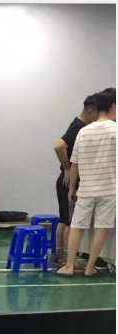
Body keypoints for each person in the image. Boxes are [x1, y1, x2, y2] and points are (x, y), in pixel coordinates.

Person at [57, 88, 116, 277]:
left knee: (77, 226)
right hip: (109, 190)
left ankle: (69, 266)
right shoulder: (115, 130)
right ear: (113, 106)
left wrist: (72, 188)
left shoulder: (84, 132)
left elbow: (74, 164)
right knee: (101, 228)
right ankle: (90, 268)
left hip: (86, 189)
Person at [53, 95, 98, 265]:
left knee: (64, 220)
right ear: (90, 111)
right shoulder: (79, 127)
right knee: (70, 222)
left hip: (63, 182)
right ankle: (67, 260)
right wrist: (67, 167)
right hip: (68, 182)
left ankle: (59, 257)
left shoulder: (78, 125)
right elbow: (59, 146)